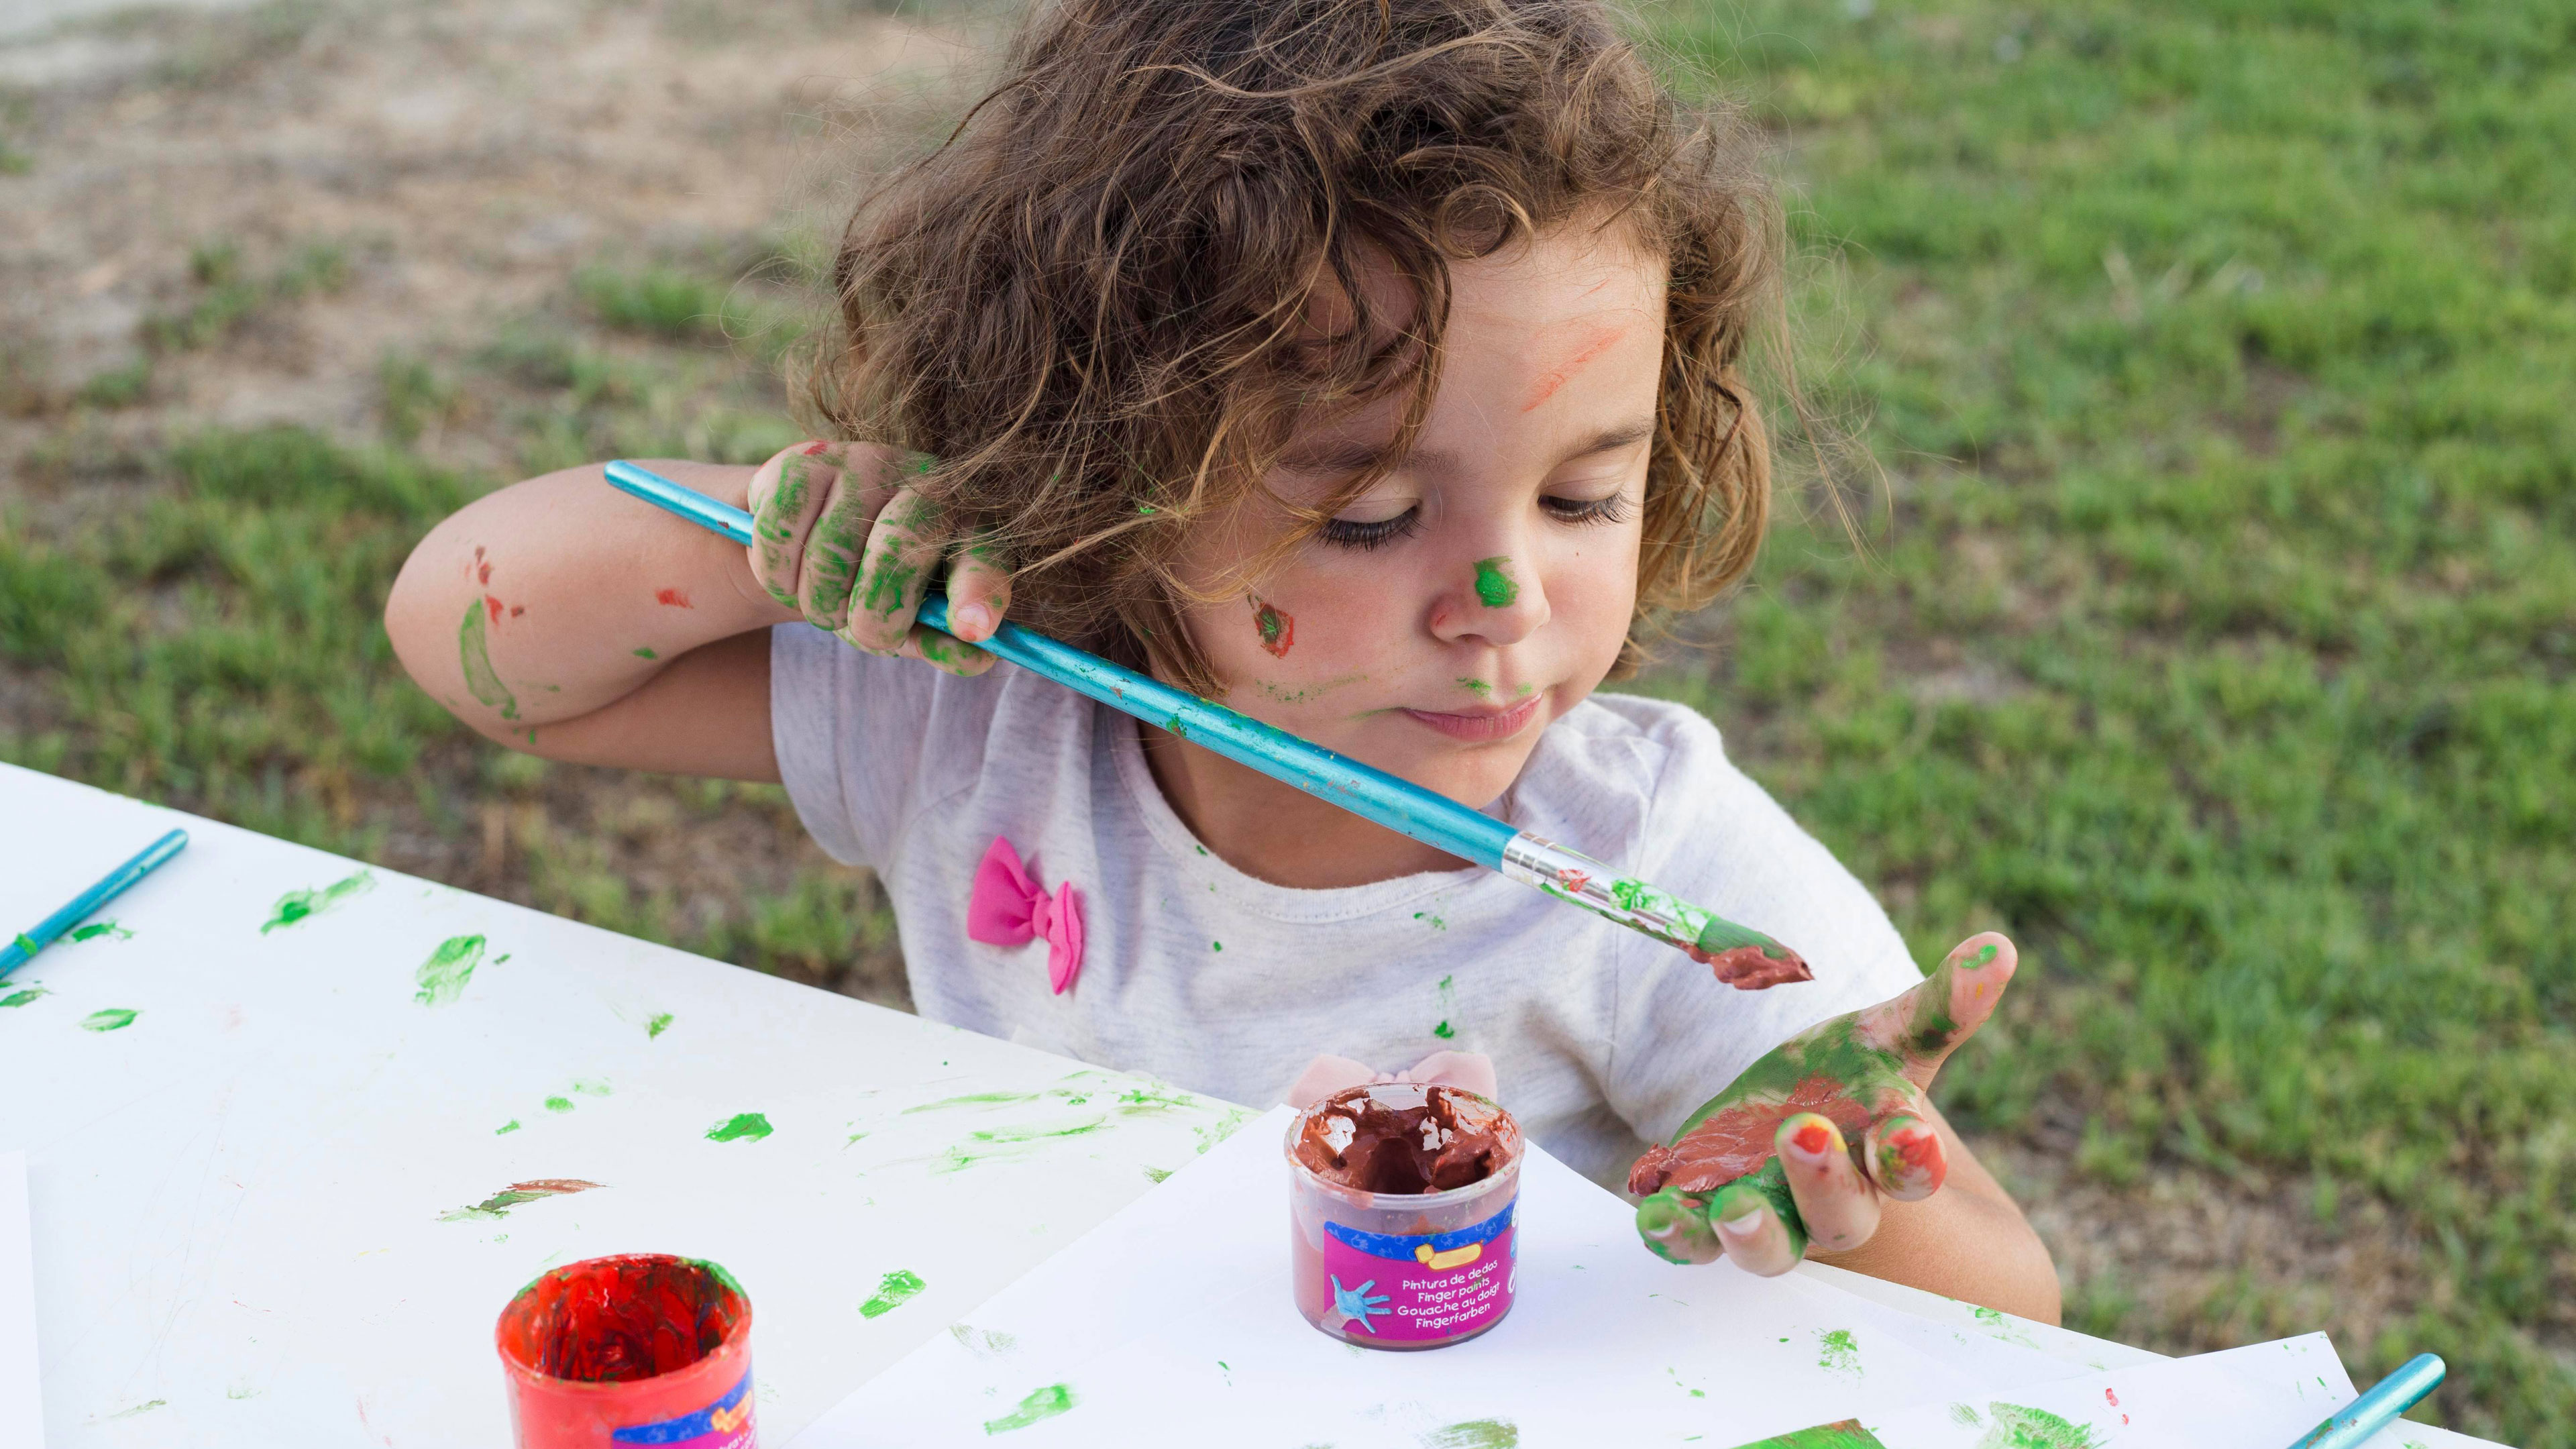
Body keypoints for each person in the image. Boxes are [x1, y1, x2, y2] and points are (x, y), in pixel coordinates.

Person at [384, 0, 2058, 1319]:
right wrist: (760, 527)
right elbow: (485, 650)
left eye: (1581, 496)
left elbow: (2021, 1301)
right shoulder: (987, 721)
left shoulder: (1651, 869)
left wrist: (1829, 1211)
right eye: (1369, 515)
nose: (1502, 592)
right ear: (1106, 486)